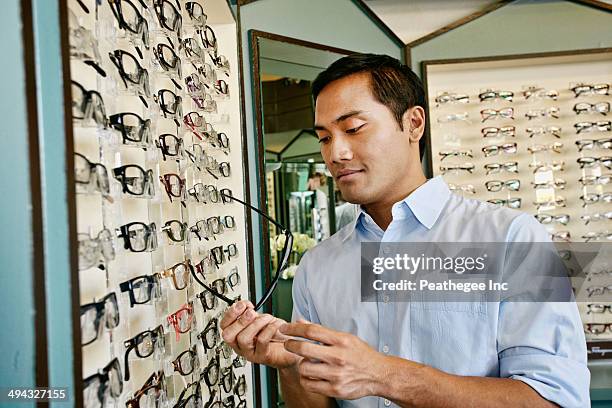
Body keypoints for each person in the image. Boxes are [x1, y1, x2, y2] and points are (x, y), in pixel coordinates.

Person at [221, 54, 589, 407]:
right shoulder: (318, 267)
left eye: (352, 128)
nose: (336, 153)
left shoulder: (512, 239)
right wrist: (290, 363)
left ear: (414, 124)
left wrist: (382, 375)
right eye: (325, 138)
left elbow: (553, 400)